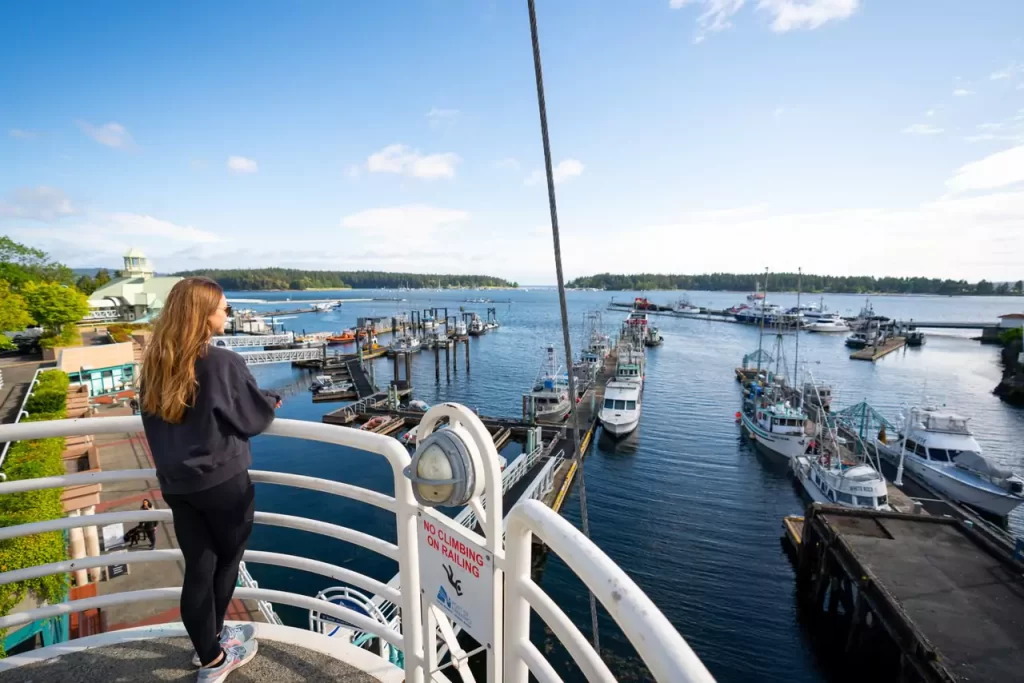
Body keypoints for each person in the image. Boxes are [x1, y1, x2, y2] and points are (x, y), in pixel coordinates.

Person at [139, 277, 282, 682]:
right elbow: (253, 416)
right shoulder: (222, 361)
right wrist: (270, 399)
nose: (228, 314)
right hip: (222, 483)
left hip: (177, 486)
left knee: (199, 569)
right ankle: (216, 649)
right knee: (226, 562)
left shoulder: (156, 364)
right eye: (223, 307)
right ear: (204, 315)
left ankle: (209, 655)